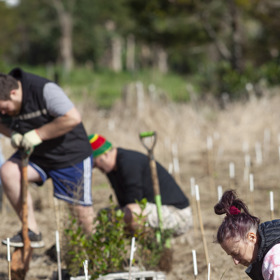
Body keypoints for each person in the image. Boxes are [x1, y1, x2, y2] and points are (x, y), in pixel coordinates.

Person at [0, 68, 94, 248]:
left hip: (70, 155)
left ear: (13, 93)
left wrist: (38, 134)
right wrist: (12, 133)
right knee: (8, 171)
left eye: (4, 108)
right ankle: (31, 231)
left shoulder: (44, 90)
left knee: (82, 214)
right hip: (37, 156)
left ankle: (98, 258)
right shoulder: (3, 101)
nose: (3, 113)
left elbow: (72, 118)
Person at [89, 134, 192, 236]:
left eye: (96, 163)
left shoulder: (128, 162)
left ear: (105, 154)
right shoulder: (111, 170)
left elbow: (132, 204)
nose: (95, 167)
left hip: (178, 215)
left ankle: (149, 247)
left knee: (131, 212)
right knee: (104, 215)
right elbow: (123, 203)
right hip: (153, 210)